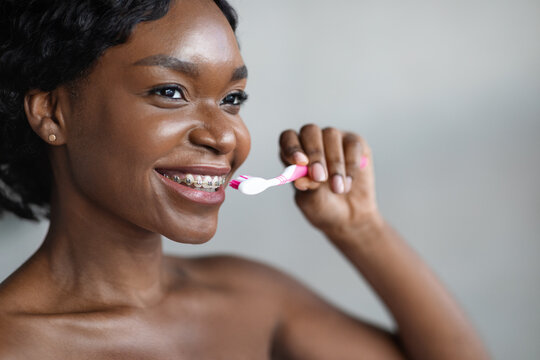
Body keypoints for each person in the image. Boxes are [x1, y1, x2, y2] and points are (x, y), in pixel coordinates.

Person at [0, 0, 490, 358]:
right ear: (53, 112)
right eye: (171, 91)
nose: (224, 135)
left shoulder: (250, 299)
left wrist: (360, 228)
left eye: (233, 99)